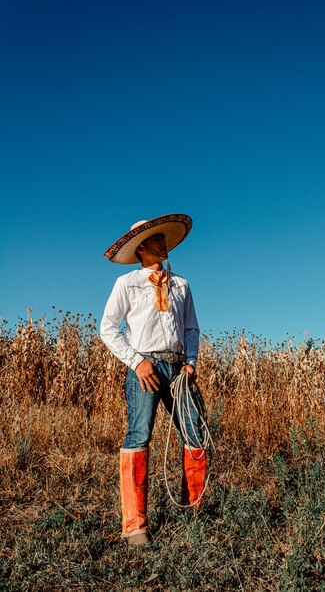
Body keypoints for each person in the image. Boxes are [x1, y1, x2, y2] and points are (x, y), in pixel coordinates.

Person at [100, 214, 206, 546]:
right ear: (143, 248)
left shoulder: (181, 285)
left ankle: (194, 509)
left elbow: (190, 329)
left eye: (164, 239)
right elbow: (107, 329)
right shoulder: (126, 284)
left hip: (178, 370)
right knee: (139, 435)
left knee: (194, 432)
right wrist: (137, 362)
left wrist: (190, 362)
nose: (164, 244)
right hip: (145, 369)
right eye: (158, 240)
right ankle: (135, 526)